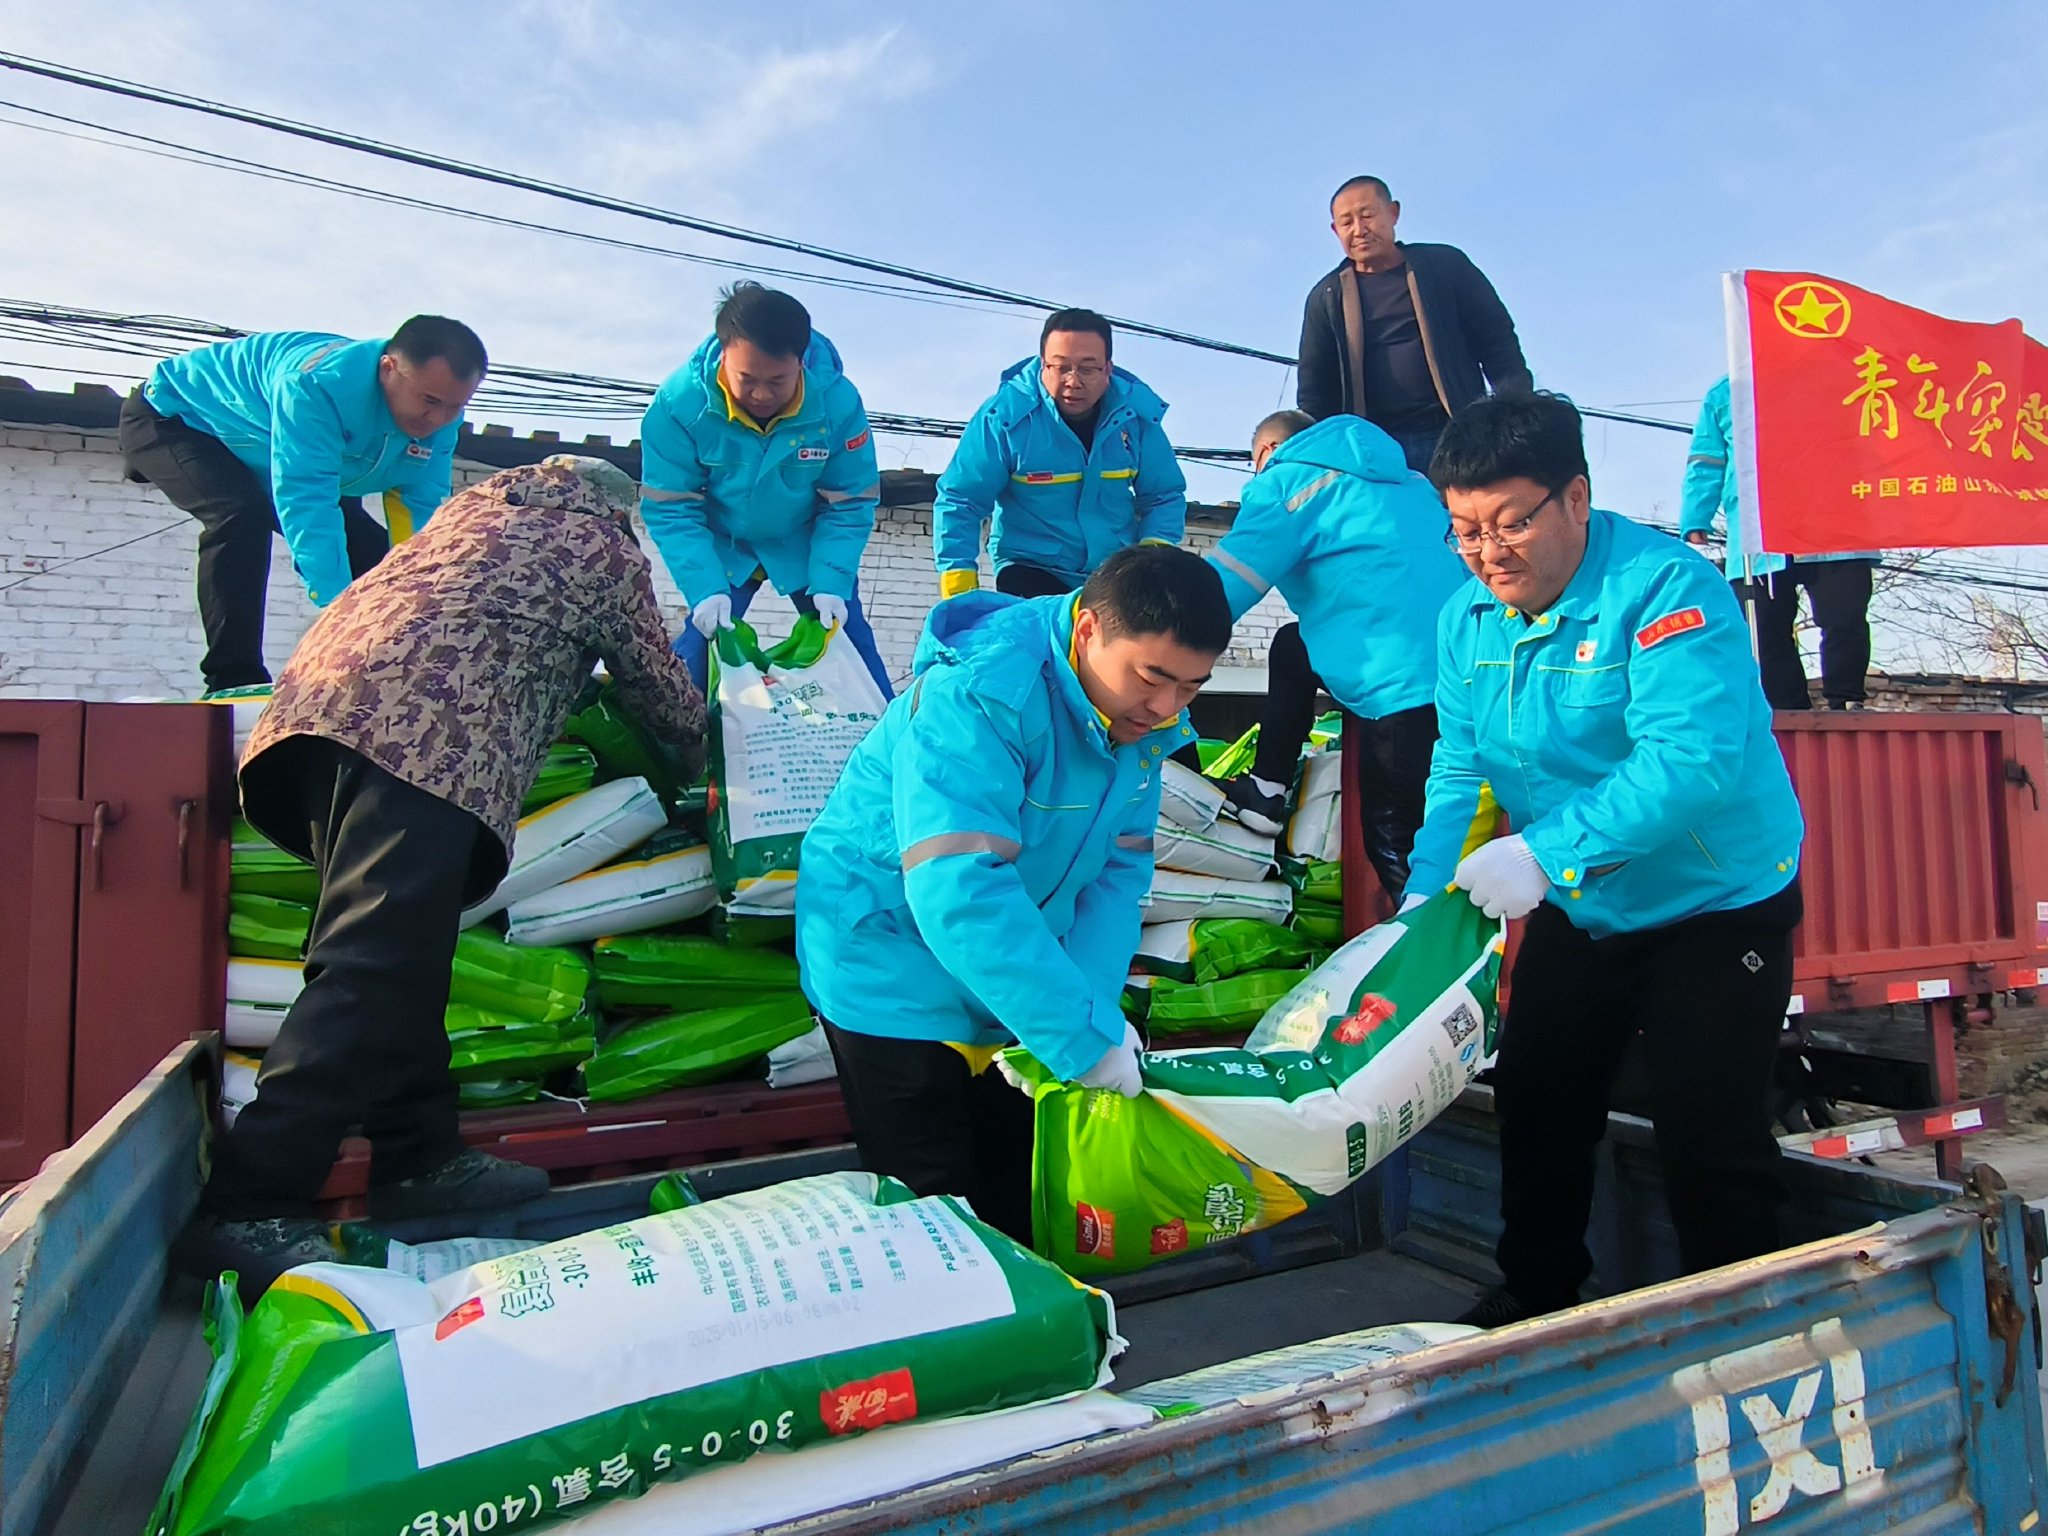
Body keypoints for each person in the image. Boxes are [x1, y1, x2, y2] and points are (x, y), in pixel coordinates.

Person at [185, 457, 708, 1294]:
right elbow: (661, 693)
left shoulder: (469, 521)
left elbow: (493, 628)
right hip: (422, 746)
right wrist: (714, 743)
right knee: (368, 970)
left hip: (314, 727)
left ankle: (416, 1155)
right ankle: (249, 1202)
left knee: (402, 960)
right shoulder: (599, 546)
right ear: (621, 514)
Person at [1405, 393, 1805, 1329]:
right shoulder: (1466, 619)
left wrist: (1543, 854)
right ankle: (1535, 1298)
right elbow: (1462, 766)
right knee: (1539, 1104)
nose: (1487, 551)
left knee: (1708, 1130)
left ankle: (1745, 1325)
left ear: (1576, 498)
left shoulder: (1667, 590)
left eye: (1510, 523)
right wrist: (1427, 886)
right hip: (1585, 906)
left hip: (1715, 904)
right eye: (1464, 529)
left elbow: (1689, 761)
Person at [795, 544, 1232, 1242]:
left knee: (1019, 1193)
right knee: (936, 1215)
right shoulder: (981, 691)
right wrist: (1074, 1034)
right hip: (888, 955)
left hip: (1014, 971)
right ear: (1089, 629)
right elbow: (957, 882)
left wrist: (1087, 1015)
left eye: (1191, 687)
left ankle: (1041, 1344)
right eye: (1152, 677)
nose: (1166, 707)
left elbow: (1117, 876)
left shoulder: (1136, 723)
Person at [118, 317, 487, 694]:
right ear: (388, 369)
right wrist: (337, 612)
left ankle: (386, 678)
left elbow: (419, 519)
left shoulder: (442, 423)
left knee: (379, 562)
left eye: (456, 407)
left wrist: (424, 608)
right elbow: (308, 500)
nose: (438, 420)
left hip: (267, 445)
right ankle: (231, 678)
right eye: (429, 401)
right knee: (239, 515)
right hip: (179, 420)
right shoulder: (315, 385)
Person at [1204, 410, 1466, 900]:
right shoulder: (1414, 483)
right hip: (1468, 668)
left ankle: (1428, 960)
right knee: (1290, 646)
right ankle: (1267, 787)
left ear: (1264, 454)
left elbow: (1223, 589)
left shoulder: (1284, 483)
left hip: (1397, 682)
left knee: (1395, 844)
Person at [639, 283, 891, 698]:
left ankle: (889, 750)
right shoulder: (678, 404)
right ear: (724, 354)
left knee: (851, 650)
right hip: (725, 542)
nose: (760, 394)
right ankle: (682, 755)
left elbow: (849, 501)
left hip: (804, 542)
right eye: (746, 379)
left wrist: (831, 580)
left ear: (802, 362)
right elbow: (672, 505)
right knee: (698, 658)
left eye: (777, 381)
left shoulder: (838, 404)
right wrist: (704, 588)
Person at [932, 309, 1187, 600]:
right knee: (1044, 645)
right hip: (1031, 570)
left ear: (1108, 369)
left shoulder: (1136, 417)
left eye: (1087, 369)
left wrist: (1149, 560)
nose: (1073, 381)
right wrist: (959, 591)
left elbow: (1163, 496)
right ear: (1044, 365)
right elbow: (962, 499)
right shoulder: (1004, 419)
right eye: (1061, 367)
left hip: (1113, 574)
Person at [1297, 176, 1531, 473]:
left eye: (1368, 215)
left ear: (1393, 213)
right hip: (1373, 446)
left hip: (1455, 431)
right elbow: (1315, 387)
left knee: (1462, 517)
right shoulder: (1327, 297)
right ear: (1335, 230)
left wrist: (1519, 409)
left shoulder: (1445, 266)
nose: (1359, 230)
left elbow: (1496, 339)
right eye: (1347, 222)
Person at [1679, 375, 1879, 710]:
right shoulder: (1730, 390)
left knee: (1844, 618)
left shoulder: (1843, 372)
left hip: (1837, 519)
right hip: (1758, 529)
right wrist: (1695, 514)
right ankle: (1787, 711)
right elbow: (1707, 458)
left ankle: (1846, 701)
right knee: (1763, 628)